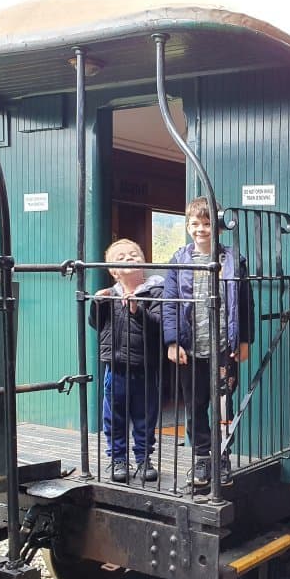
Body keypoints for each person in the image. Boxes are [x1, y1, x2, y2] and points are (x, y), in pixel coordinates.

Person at [163, 196, 253, 488]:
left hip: (223, 348)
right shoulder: (179, 260)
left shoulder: (233, 261)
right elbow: (170, 303)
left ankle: (222, 456)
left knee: (223, 405)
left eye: (206, 223)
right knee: (195, 405)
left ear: (218, 227)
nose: (200, 229)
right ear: (187, 225)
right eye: (195, 223)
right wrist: (173, 342)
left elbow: (245, 303)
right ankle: (202, 458)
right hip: (191, 349)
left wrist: (245, 341)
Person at [89, 238, 163, 484]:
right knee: (114, 416)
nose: (128, 258)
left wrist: (136, 310)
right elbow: (97, 325)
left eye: (133, 254)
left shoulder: (156, 291)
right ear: (112, 270)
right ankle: (118, 458)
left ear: (143, 261)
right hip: (116, 366)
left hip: (145, 366)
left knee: (145, 416)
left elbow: (159, 326)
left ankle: (143, 459)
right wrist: (97, 305)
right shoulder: (109, 294)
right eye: (120, 258)